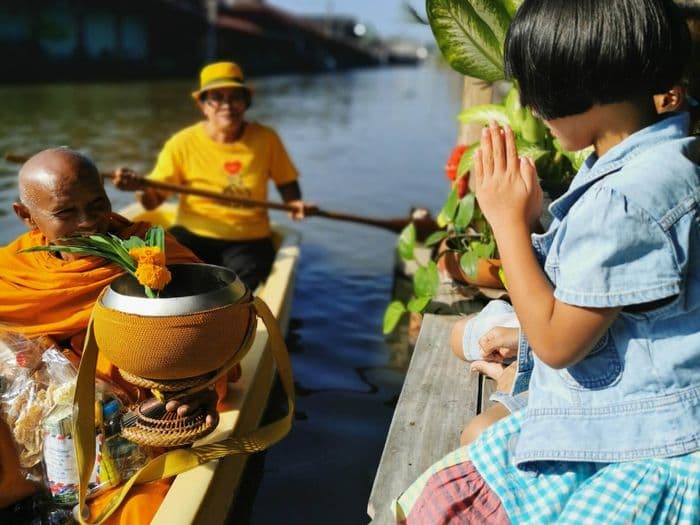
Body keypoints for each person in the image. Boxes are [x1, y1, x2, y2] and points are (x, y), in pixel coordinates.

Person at [396, 1, 699, 523]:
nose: (533, 110)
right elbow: (603, 284)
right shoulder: (654, 155)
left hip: (648, 434)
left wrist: (507, 223)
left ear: (578, 86)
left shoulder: (626, 197)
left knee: (449, 497)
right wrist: (537, 219)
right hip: (644, 393)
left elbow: (558, 344)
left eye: (536, 95)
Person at [0, 148, 218, 524]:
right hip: (42, 432)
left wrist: (196, 386)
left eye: (97, 204)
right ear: (26, 216)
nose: (89, 222)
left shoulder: (153, 255)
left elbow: (212, 334)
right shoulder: (15, 270)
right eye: (66, 213)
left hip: (131, 427)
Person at [113, 61, 313, 290]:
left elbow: (287, 182)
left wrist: (294, 203)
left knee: (241, 288)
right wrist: (138, 186)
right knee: (156, 270)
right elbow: (153, 201)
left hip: (247, 238)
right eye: (217, 98)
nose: (227, 105)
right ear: (203, 105)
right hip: (194, 232)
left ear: (246, 103)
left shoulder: (266, 139)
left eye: (235, 97)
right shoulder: (183, 142)